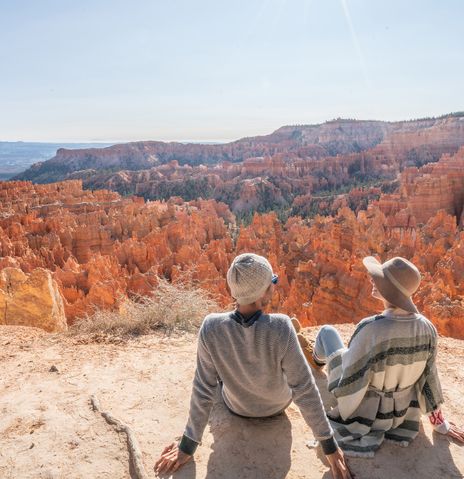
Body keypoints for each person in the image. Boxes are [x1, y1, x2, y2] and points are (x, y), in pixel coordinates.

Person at [155, 253, 352, 478]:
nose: (274, 287)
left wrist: (187, 446)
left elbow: (203, 390)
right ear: (264, 291)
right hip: (277, 405)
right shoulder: (281, 327)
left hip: (236, 406)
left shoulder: (210, 327)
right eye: (272, 283)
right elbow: (304, 389)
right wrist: (329, 445)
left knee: (218, 377)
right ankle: (299, 346)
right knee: (286, 354)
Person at [303, 256, 464, 457]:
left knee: (327, 333)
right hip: (400, 414)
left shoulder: (371, 328)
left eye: (378, 279)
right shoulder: (427, 328)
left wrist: (340, 391)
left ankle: (316, 360)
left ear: (390, 290)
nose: (372, 280)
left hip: (366, 411)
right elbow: (429, 378)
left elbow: (350, 381)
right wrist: (440, 423)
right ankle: (317, 358)